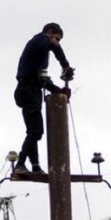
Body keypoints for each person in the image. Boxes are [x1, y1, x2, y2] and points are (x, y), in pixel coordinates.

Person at [14, 22, 75, 175]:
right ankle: (21, 162)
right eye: (57, 38)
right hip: (28, 89)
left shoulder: (40, 54)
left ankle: (35, 165)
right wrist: (65, 65)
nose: (57, 42)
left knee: (32, 131)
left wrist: (58, 90)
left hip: (30, 89)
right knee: (36, 131)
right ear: (50, 31)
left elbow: (43, 80)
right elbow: (54, 45)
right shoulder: (40, 39)